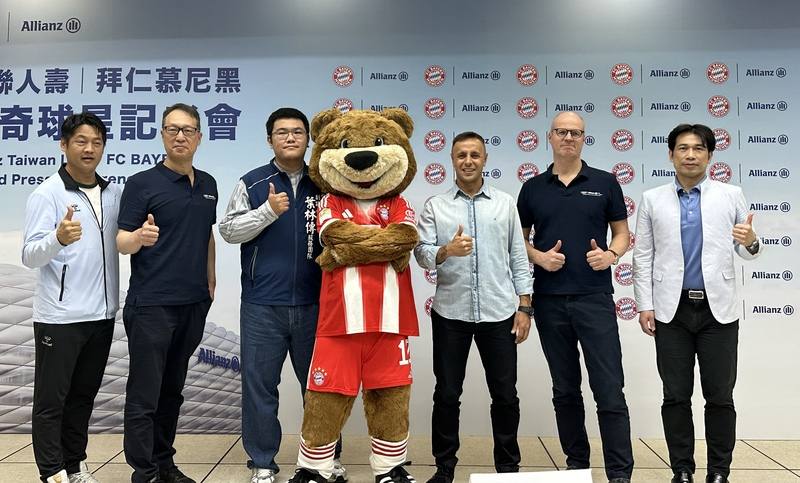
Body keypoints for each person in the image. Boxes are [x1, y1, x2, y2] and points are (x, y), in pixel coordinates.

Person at [219, 107, 345, 483]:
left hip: (316, 303)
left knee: (321, 388)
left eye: (297, 132)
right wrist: (267, 212)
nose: (290, 138)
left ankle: (323, 459)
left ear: (308, 139)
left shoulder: (326, 183)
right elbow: (228, 230)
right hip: (262, 305)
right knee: (260, 387)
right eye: (282, 132)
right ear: (269, 139)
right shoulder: (253, 182)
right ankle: (261, 461)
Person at [633, 123, 761, 483]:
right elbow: (643, 256)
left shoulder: (731, 194)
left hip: (717, 312)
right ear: (671, 154)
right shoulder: (652, 198)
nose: (691, 155)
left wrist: (751, 240)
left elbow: (747, 250)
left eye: (699, 149)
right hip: (670, 312)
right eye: (683, 148)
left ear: (710, 155)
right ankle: (682, 469)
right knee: (675, 396)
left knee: (720, 396)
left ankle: (719, 471)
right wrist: (645, 305)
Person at [516, 111, 633, 483]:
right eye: (562, 132)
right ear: (549, 137)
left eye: (577, 133)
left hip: (594, 298)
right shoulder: (532, 187)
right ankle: (577, 465)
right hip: (549, 302)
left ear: (584, 139)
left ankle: (619, 472)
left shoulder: (605, 182)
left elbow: (622, 234)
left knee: (609, 387)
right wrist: (538, 256)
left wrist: (610, 255)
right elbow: (518, 241)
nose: (569, 138)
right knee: (565, 390)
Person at [415, 131, 533, 483]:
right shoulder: (436, 206)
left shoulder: (504, 203)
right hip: (451, 314)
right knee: (447, 394)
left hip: (499, 314)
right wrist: (445, 251)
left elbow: (518, 255)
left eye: (474, 155)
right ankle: (444, 467)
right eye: (461, 155)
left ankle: (508, 469)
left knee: (505, 395)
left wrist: (525, 307)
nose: (468, 161)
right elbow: (421, 253)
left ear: (485, 160)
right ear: (452, 160)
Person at [117, 103, 217, 483]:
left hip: (192, 303)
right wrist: (139, 238)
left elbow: (206, 233)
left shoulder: (207, 184)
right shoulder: (142, 183)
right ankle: (143, 472)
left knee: (172, 391)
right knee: (145, 394)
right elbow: (121, 241)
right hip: (152, 305)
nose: (180, 136)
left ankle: (165, 464)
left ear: (199, 138)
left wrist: (210, 281)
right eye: (172, 129)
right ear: (162, 134)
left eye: (188, 130)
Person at [22, 113, 120, 483]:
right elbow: (30, 254)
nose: (89, 148)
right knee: (51, 402)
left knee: (82, 399)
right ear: (64, 145)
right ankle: (52, 472)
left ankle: (75, 466)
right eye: (80, 141)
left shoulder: (113, 193)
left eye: (96, 142)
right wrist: (58, 239)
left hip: (102, 315)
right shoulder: (47, 193)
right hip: (59, 318)